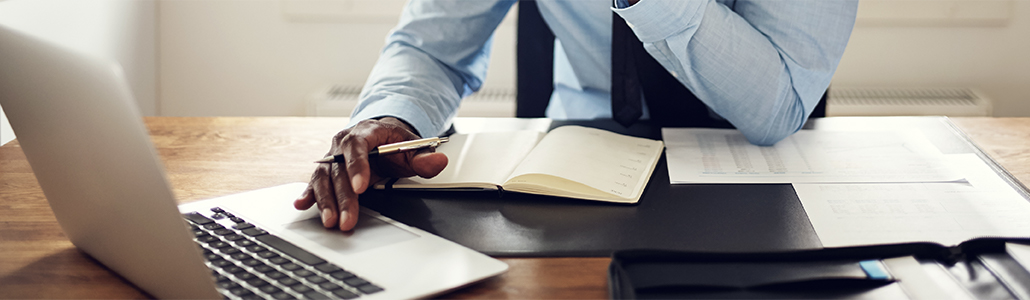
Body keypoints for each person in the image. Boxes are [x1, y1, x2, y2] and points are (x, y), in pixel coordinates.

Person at [294, 0, 859, 231]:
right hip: (571, 179)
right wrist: (395, 120)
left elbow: (778, 104)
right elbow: (432, 45)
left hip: (758, 191)